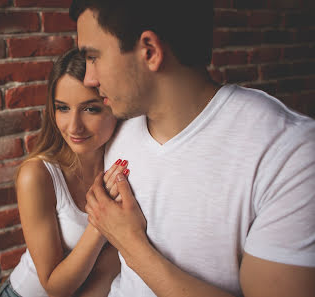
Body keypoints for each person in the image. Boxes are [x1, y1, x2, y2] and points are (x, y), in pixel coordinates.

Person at [69, 1, 315, 297]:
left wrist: (131, 243)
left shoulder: (288, 152)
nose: (89, 79)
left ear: (149, 50)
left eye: (93, 57)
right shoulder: (117, 130)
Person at [0, 48, 126, 297]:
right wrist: (100, 223)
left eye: (90, 109)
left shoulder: (120, 161)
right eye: (63, 108)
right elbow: (54, 287)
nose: (73, 126)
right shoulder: (37, 175)